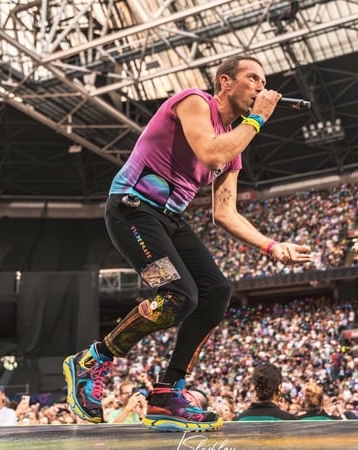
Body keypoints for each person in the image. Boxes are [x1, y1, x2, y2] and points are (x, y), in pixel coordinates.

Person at [63, 54, 312, 432]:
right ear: (225, 82)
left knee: (216, 291)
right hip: (132, 209)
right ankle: (94, 359)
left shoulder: (234, 147)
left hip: (168, 218)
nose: (262, 87)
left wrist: (271, 246)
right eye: (253, 78)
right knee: (179, 294)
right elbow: (210, 152)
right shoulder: (195, 101)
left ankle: (166, 393)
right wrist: (257, 119)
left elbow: (225, 213)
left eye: (264, 81)